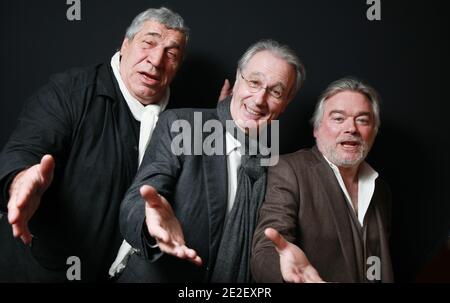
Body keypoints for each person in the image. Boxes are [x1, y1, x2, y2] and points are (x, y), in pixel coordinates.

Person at [0, 7, 191, 282]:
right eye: (148, 43)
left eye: (171, 53)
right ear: (125, 45)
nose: (157, 60)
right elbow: (24, 149)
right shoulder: (71, 91)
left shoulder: (179, 120)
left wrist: (226, 116)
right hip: (38, 269)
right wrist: (19, 181)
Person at [116, 39, 305, 282]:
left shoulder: (275, 166)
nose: (259, 99)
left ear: (285, 103)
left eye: (276, 92)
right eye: (254, 82)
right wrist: (150, 224)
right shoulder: (182, 126)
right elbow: (134, 202)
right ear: (238, 79)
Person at [251, 78, 394, 283]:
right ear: (316, 130)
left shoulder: (380, 190)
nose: (351, 128)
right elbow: (265, 249)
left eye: (362, 120)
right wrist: (284, 272)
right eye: (338, 118)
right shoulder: (289, 170)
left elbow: (374, 261)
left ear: (374, 131)